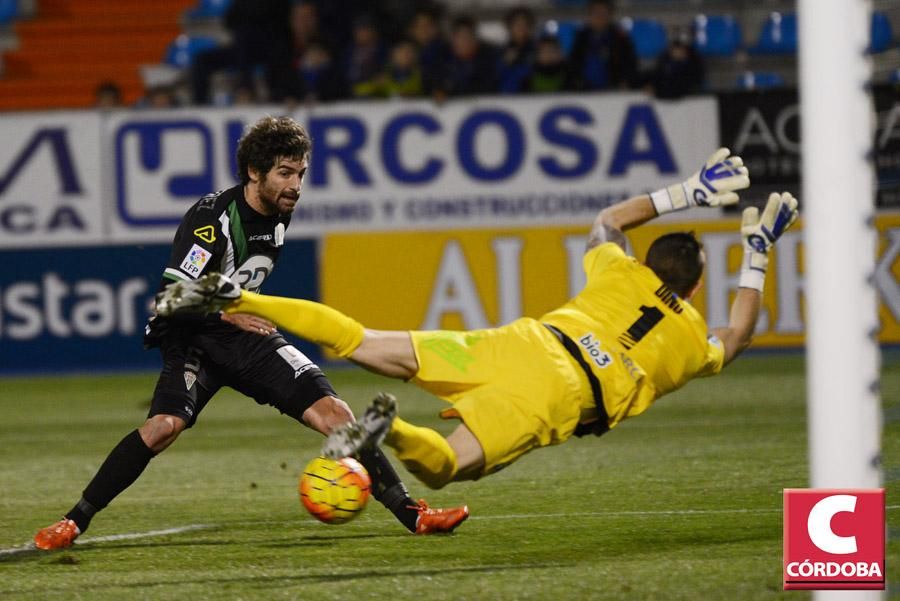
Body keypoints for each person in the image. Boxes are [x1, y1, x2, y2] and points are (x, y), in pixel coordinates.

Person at [158, 149, 799, 491]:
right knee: (445, 467)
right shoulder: (690, 338)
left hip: (516, 345)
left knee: (362, 339)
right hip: (560, 397)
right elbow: (737, 335)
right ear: (693, 285)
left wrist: (685, 193)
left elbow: (608, 221)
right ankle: (390, 431)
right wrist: (758, 255)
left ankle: (236, 298)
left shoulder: (618, 270)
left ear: (647, 261)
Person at [33, 117, 469, 551]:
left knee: (337, 414)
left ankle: (414, 516)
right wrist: (230, 315)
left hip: (245, 339)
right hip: (195, 337)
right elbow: (168, 298)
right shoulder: (212, 221)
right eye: (284, 173)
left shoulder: (278, 211)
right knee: (164, 426)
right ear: (253, 173)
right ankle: (72, 522)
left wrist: (239, 315)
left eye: (300, 173)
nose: (296, 184)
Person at [566, 0, 638, 91]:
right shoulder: (581, 38)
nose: (599, 17)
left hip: (613, 90)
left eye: (603, 13)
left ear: (610, 15)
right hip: (584, 91)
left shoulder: (621, 39)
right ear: (589, 15)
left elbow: (631, 65)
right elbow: (573, 64)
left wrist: (625, 81)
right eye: (596, 13)